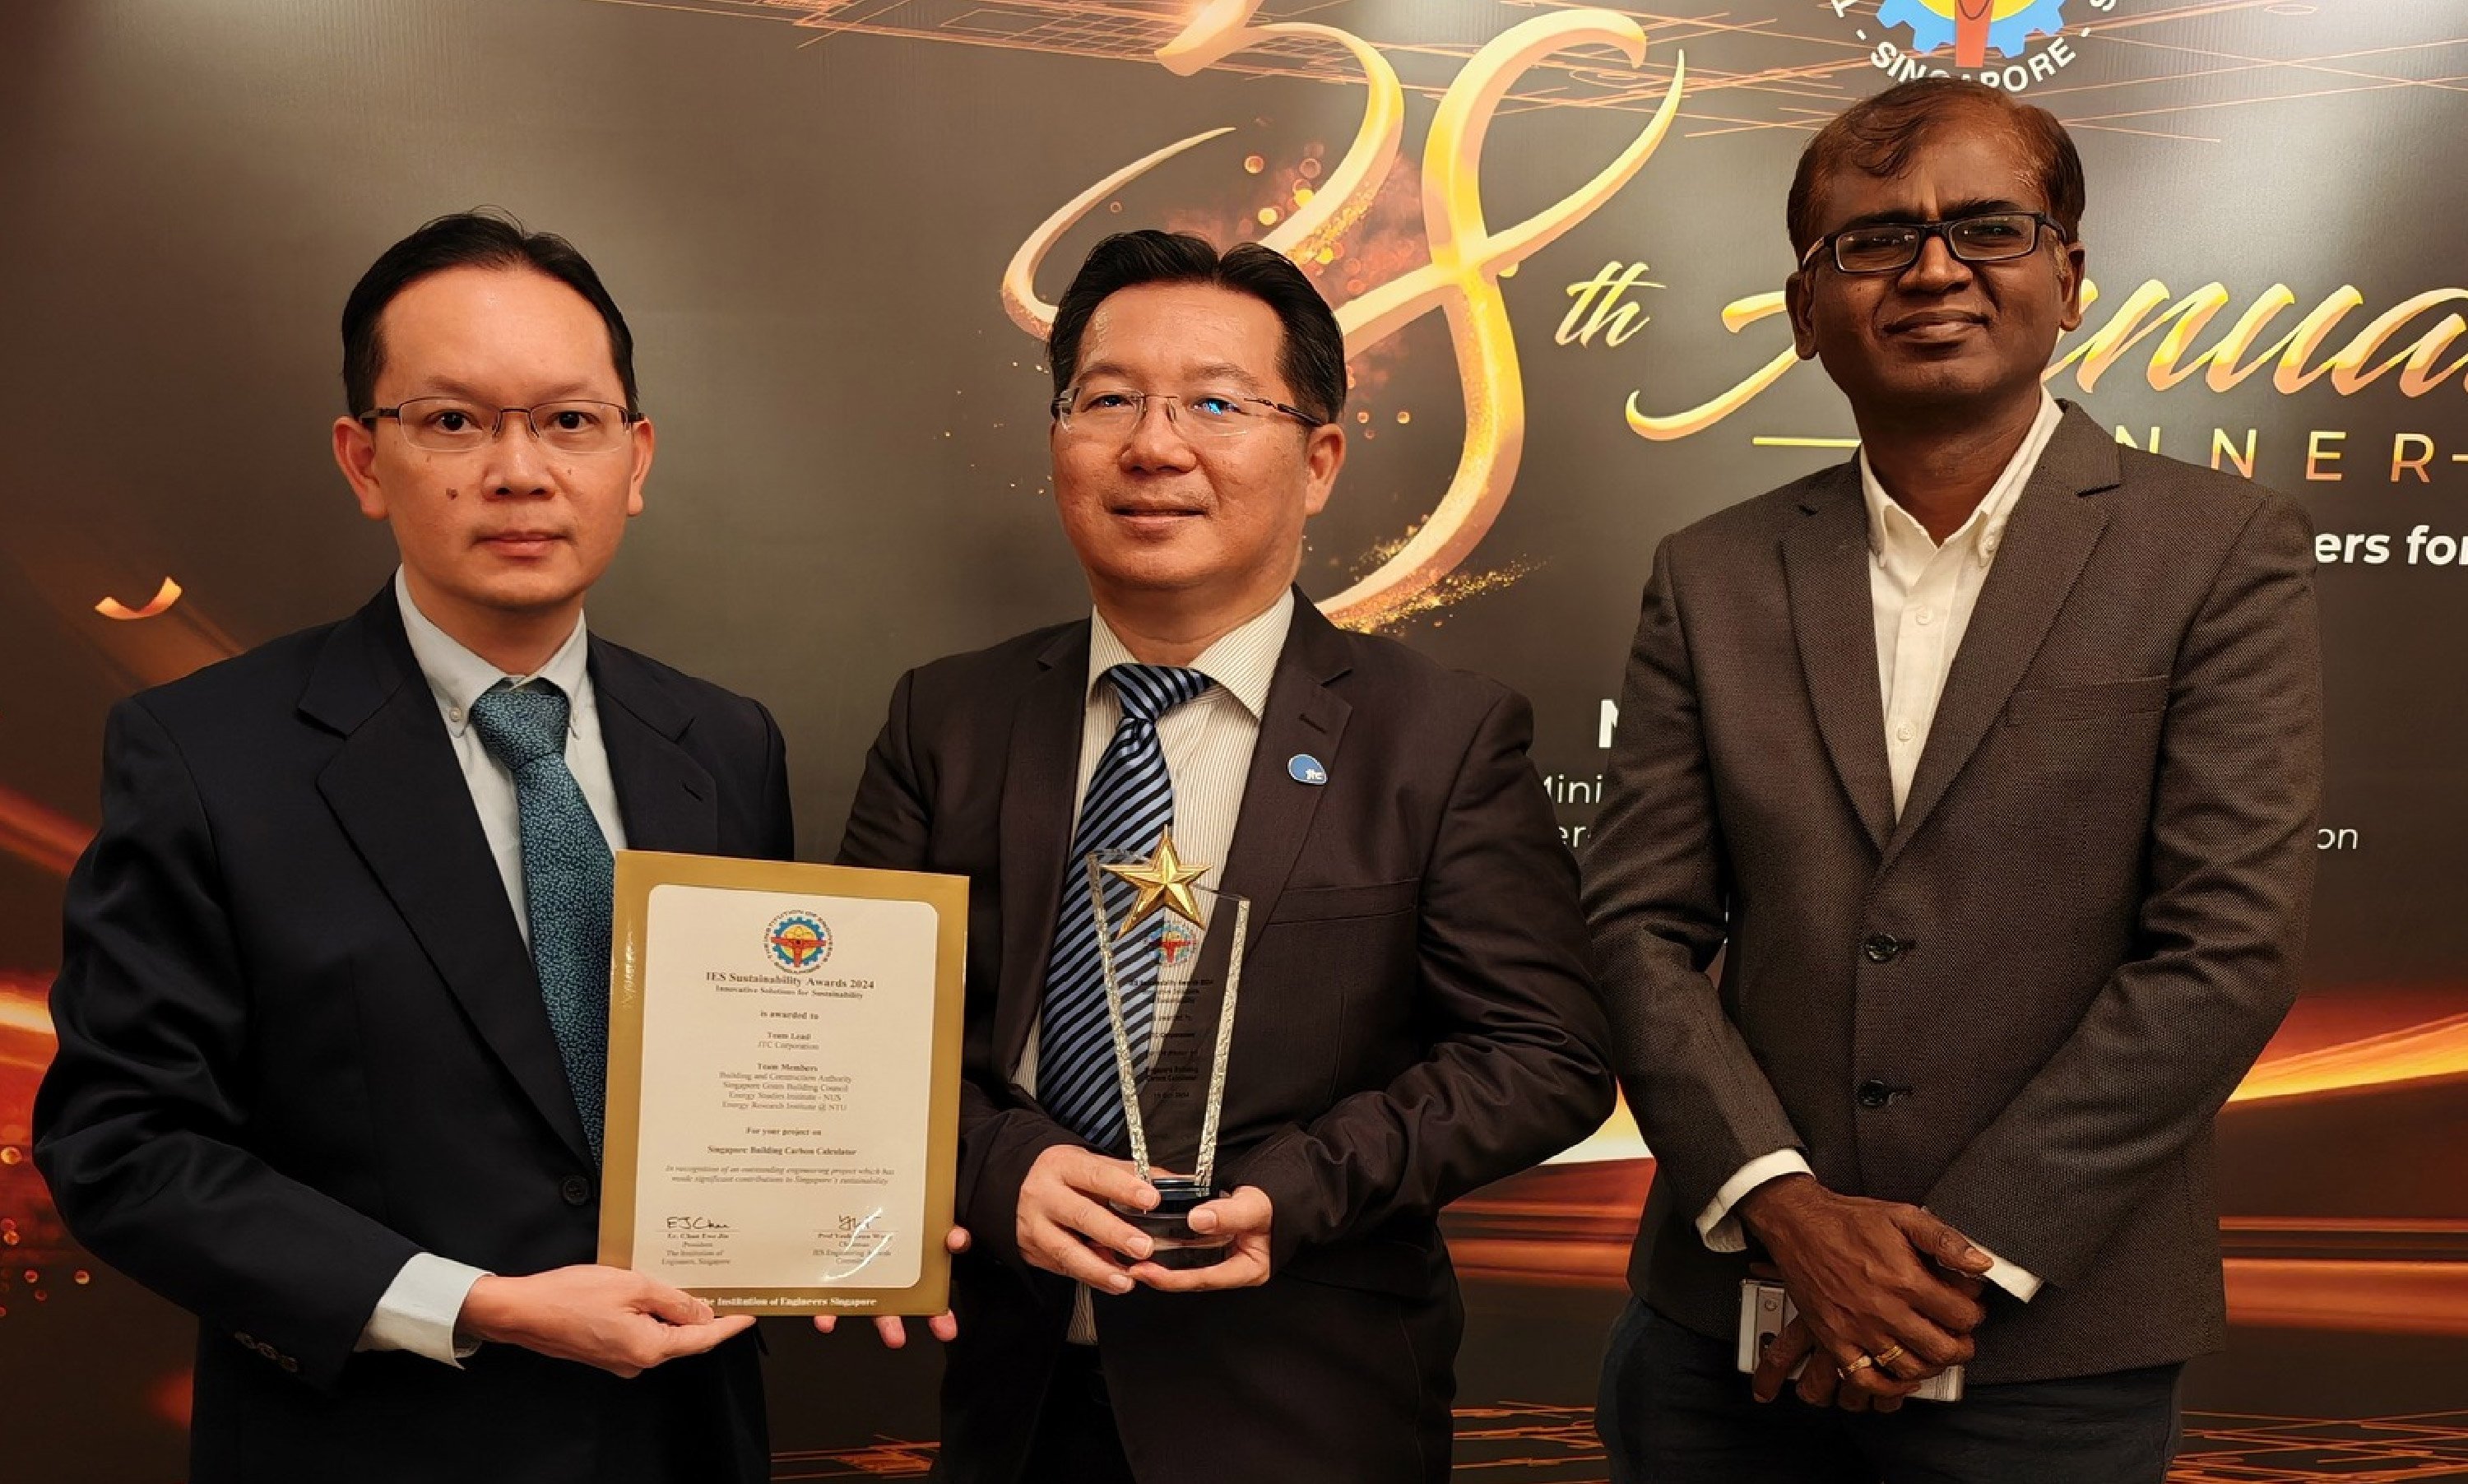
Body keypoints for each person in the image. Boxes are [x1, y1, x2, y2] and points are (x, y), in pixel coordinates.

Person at [1584, 77, 2322, 1482]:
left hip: (2049, 1348)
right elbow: (1633, 930)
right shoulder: (1711, 573)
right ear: (1807, 311)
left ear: (2070, 277)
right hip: (1723, 1334)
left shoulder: (2220, 550)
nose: (1932, 269)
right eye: (1873, 240)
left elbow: (2226, 950)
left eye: (1987, 227)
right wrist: (1789, 1214)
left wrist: (1937, 1267)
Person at [837, 229, 1614, 1484]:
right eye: (1108, 401)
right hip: (1012, 1405)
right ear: (1058, 439)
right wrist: (997, 1167)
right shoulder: (950, 719)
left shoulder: (1441, 736)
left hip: (1302, 1408)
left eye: (1215, 403)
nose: (1155, 446)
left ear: (1319, 461)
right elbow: (850, 1035)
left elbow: (1544, 1057)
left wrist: (1306, 1184)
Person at [35, 211, 785, 1483]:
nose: (519, 470)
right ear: (363, 459)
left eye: (570, 420)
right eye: (453, 421)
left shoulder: (723, 742)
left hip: (687, 1441)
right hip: (369, 1447)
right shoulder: (205, 753)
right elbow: (124, 1144)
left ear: (636, 457)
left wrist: (858, 1231)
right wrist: (475, 1304)